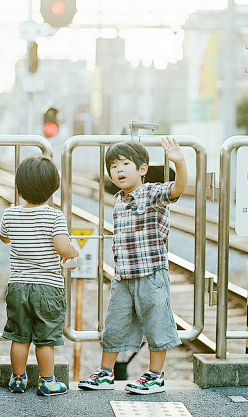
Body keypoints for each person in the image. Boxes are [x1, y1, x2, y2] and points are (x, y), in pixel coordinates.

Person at [79, 137, 188, 394]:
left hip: (151, 274)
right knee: (114, 325)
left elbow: (177, 189)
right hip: (124, 277)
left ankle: (155, 376)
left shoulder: (151, 193)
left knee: (156, 325)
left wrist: (180, 162)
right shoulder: (119, 200)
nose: (119, 170)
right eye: (113, 167)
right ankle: (105, 373)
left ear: (142, 169)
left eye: (125, 164)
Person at [0, 155, 79, 396]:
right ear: (53, 187)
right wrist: (74, 251)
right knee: (46, 340)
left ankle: (18, 379)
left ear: (19, 187)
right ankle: (47, 382)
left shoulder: (10, 214)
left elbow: (4, 237)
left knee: (19, 336)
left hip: (18, 286)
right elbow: (63, 248)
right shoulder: (54, 216)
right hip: (48, 288)